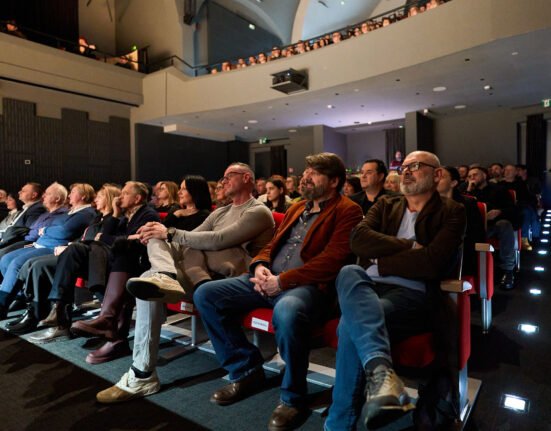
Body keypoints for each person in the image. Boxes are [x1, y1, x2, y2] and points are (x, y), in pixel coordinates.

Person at [190, 153, 363, 431]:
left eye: (315, 173)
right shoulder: (297, 207)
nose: (306, 177)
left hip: (308, 287)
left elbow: (333, 260)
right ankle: (245, 369)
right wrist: (259, 265)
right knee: (206, 295)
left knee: (287, 310)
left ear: (334, 182)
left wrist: (282, 281)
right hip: (269, 278)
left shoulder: (347, 210)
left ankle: (293, 397)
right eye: (306, 171)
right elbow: (272, 245)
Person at [95, 162, 274, 403]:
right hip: (200, 276)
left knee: (171, 243)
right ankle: (142, 373)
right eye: (222, 177)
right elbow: (192, 237)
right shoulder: (220, 212)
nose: (223, 181)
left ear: (247, 178)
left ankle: (165, 277)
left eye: (229, 175)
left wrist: (169, 233)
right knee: (149, 273)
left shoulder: (258, 211)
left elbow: (218, 239)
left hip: (228, 281)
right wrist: (155, 234)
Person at [325, 151, 466, 430]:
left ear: (437, 174)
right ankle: (381, 377)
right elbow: (358, 240)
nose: (407, 171)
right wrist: (409, 246)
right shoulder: (386, 204)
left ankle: (340, 421)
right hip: (367, 286)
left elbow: (432, 262)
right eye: (404, 167)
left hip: (411, 294)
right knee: (349, 271)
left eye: (416, 166)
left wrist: (380, 261)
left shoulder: (452, 211)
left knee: (348, 325)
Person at [30, 182, 159, 351]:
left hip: (131, 264)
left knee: (87, 249)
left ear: (137, 198)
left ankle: (101, 321)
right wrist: (115, 214)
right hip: (110, 259)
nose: (120, 197)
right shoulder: (124, 215)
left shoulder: (147, 214)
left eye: (125, 194)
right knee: (74, 250)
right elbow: (109, 236)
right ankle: (59, 309)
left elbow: (131, 242)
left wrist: (105, 238)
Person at [6, 184, 121, 335]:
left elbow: (100, 241)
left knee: (39, 265)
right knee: (35, 264)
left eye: (100, 196)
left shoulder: (114, 219)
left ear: (110, 199)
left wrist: (115, 214)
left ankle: (54, 315)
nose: (96, 199)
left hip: (92, 261)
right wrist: (69, 245)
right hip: (75, 254)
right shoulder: (98, 217)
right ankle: (35, 312)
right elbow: (83, 239)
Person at [0, 183, 97, 319]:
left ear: (83, 196)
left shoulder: (86, 213)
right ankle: (19, 297)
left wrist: (45, 230)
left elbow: (63, 231)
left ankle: (2, 305)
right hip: (40, 244)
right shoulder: (71, 211)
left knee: (17, 263)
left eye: (73, 192)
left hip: (53, 248)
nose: (69, 195)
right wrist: (49, 231)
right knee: (6, 259)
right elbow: (54, 228)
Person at [466, 167, 519, 289]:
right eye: (469, 176)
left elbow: (513, 210)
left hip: (492, 226)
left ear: (484, 176)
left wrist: (499, 211)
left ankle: (508, 270)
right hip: (472, 228)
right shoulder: (465, 191)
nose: (472, 178)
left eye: (475, 175)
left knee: (504, 224)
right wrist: (468, 192)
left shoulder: (498, 190)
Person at [437, 166, 485, 276]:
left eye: (441, 177)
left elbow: (477, 235)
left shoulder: (467, 204)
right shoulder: (426, 203)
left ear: (453, 183)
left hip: (460, 254)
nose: (435, 180)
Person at [0, 182, 45, 252]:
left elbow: (28, 231)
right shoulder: (27, 208)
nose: (19, 192)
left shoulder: (37, 209)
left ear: (34, 195)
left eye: (23, 191)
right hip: (9, 239)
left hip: (17, 243)